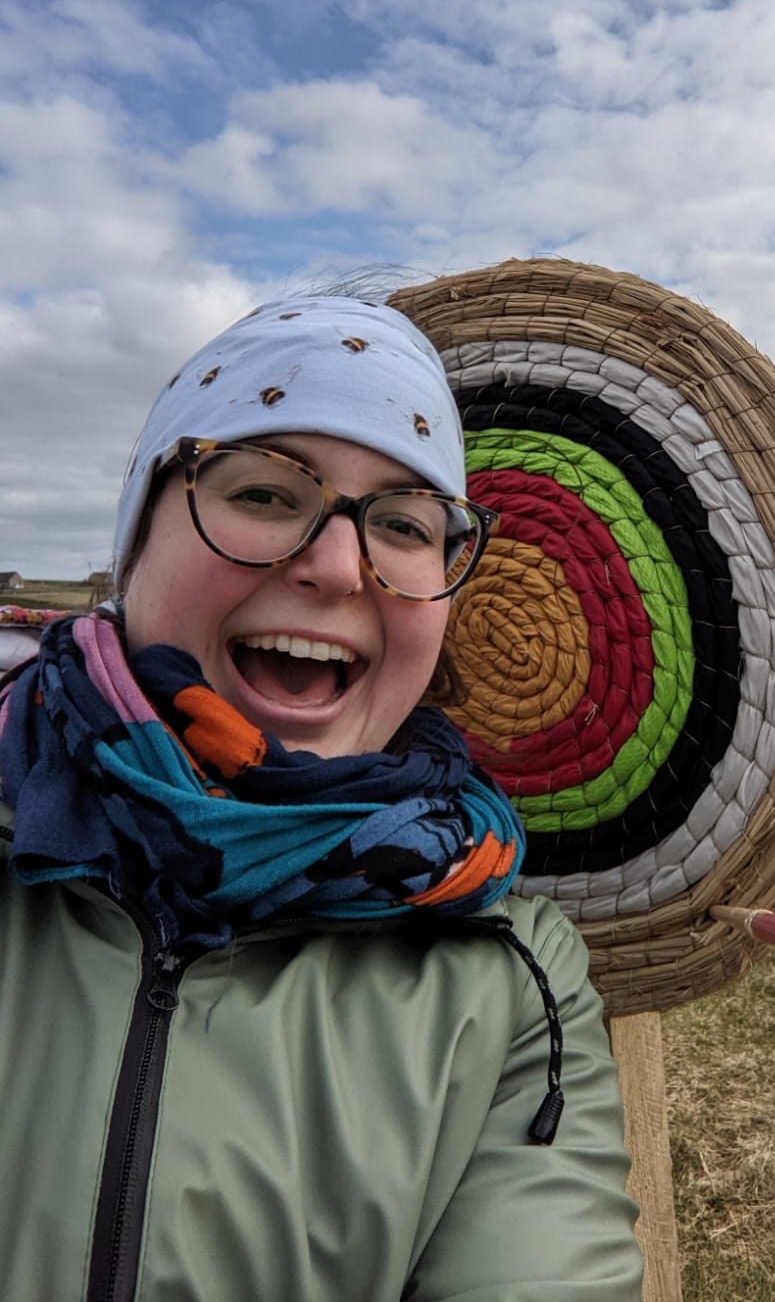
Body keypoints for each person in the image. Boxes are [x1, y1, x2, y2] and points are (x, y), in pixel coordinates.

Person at [0, 295, 643, 1302]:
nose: (339, 566)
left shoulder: (506, 981)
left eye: (401, 523)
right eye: (262, 493)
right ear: (133, 542)